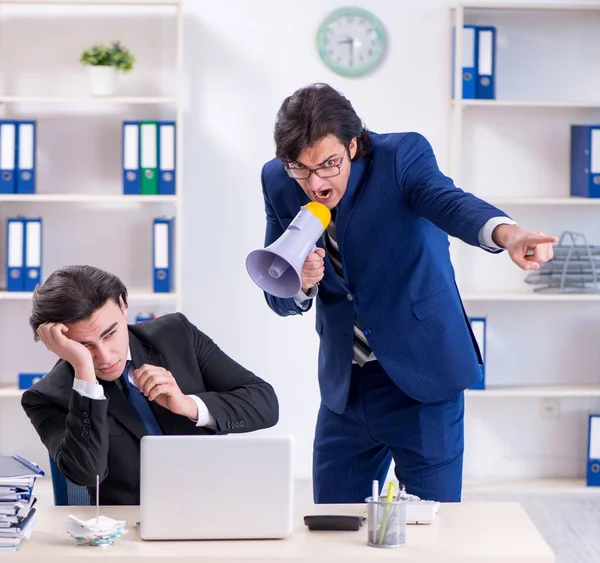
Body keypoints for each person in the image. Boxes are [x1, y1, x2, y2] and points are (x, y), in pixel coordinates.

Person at [258, 83, 557, 504]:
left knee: (431, 532)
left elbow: (449, 202)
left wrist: (507, 234)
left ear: (354, 144)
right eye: (300, 168)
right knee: (332, 532)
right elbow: (276, 290)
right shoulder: (278, 180)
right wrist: (302, 283)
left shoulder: (400, 157)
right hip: (347, 387)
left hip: (423, 376)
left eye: (329, 164)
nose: (315, 182)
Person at [21, 265, 279, 505]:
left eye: (110, 334)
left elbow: (265, 403)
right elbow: (87, 474)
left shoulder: (177, 335)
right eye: (84, 346)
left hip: (214, 506)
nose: (105, 356)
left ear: (123, 306)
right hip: (128, 531)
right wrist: (84, 372)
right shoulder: (46, 397)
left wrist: (188, 404)